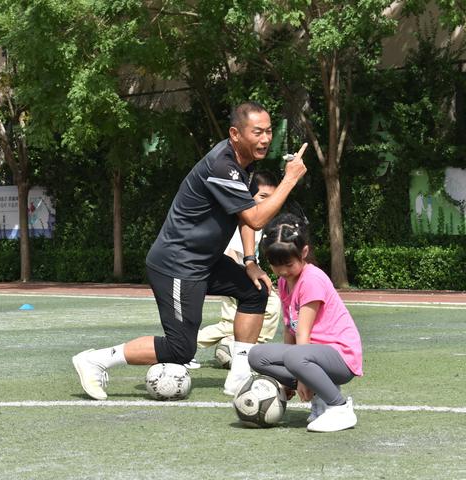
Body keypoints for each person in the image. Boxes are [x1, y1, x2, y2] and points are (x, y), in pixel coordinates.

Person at [72, 101, 307, 400]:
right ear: (235, 133)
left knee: (254, 289)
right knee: (180, 348)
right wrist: (289, 179)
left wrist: (250, 262)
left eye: (269, 131)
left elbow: (245, 215)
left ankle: (239, 376)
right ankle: (96, 361)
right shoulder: (223, 165)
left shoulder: (243, 166)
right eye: (257, 132)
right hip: (177, 264)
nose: (265, 139)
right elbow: (257, 218)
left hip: (204, 262)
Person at [248, 213, 363, 432]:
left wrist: (301, 378)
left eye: (288, 264)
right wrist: (287, 379)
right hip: (310, 354)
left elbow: (303, 332)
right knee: (256, 356)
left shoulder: (312, 279)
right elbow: (289, 329)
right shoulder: (284, 282)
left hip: (340, 356)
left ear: (304, 253)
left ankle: (339, 408)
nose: (282, 271)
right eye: (275, 265)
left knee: (294, 355)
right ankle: (321, 396)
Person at [190, 172, 282, 369]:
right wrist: (238, 280)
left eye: (271, 198)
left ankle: (239, 345)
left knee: (234, 320)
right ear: (248, 197)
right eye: (263, 197)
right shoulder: (245, 218)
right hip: (232, 274)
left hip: (239, 273)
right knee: (267, 306)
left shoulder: (258, 222)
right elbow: (231, 253)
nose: (267, 203)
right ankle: (185, 346)